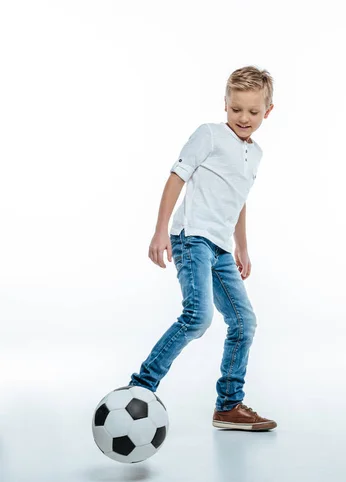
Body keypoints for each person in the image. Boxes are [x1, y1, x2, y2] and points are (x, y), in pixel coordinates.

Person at [129, 66, 277, 431]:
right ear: (224, 105)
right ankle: (140, 387)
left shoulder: (256, 153)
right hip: (191, 237)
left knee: (244, 322)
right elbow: (176, 177)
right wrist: (160, 231)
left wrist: (242, 247)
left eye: (253, 112)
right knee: (197, 317)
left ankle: (228, 406)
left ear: (267, 112)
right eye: (236, 109)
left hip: (221, 248)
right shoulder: (208, 135)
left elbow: (238, 199)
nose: (243, 118)